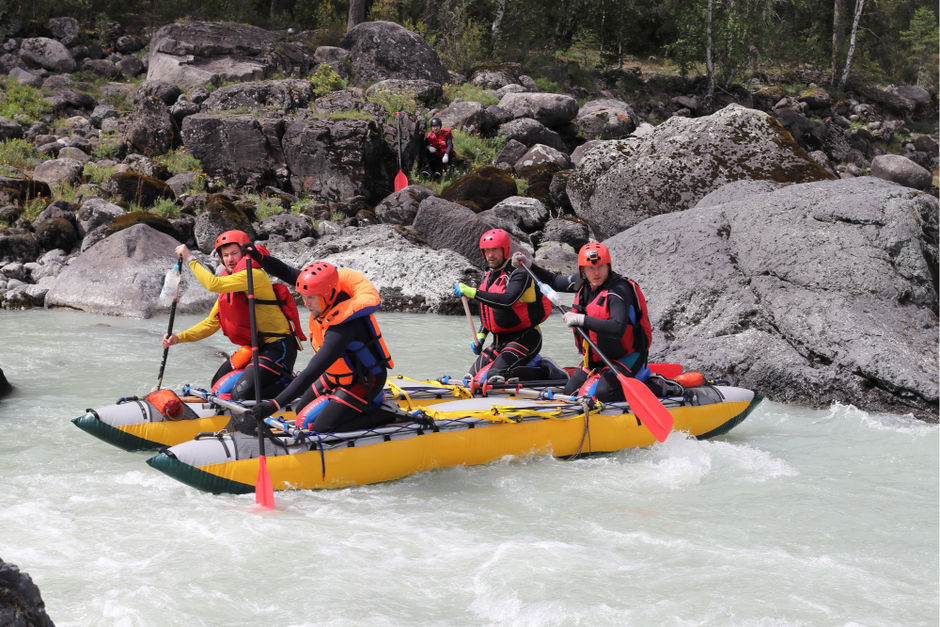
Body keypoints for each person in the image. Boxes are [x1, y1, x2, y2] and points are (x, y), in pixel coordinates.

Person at [237, 251, 394, 435]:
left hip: (364, 381)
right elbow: (286, 271)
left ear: (327, 294)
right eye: (303, 297)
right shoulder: (322, 291)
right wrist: (259, 257)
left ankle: (382, 415)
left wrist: (272, 406)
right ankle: (344, 405)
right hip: (337, 375)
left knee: (322, 428)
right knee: (299, 411)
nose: (306, 303)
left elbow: (311, 372)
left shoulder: (343, 328)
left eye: (310, 297)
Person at [161, 230, 304, 400]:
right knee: (216, 385)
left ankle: (296, 384)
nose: (230, 259)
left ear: (244, 253)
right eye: (225, 255)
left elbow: (212, 284)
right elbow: (211, 323)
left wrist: (190, 258)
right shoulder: (231, 282)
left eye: (234, 253)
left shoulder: (253, 275)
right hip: (255, 348)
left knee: (241, 394)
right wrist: (178, 338)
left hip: (278, 348)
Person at [512, 242, 652, 402]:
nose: (596, 272)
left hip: (627, 357)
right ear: (583, 270)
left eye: (601, 267)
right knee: (570, 392)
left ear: (609, 266)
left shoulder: (618, 291)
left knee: (604, 394)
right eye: (591, 268)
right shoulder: (582, 283)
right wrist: (529, 265)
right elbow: (555, 281)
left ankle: (659, 386)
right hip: (597, 358)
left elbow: (617, 328)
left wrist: (581, 319)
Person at [453, 228, 553, 386]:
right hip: (499, 342)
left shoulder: (519, 274)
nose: (490, 255)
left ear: (505, 250)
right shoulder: (488, 275)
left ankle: (547, 370)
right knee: (470, 378)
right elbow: (490, 311)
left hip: (526, 338)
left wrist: (473, 292)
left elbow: (507, 301)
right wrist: (482, 335)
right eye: (487, 251)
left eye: (495, 250)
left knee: (496, 376)